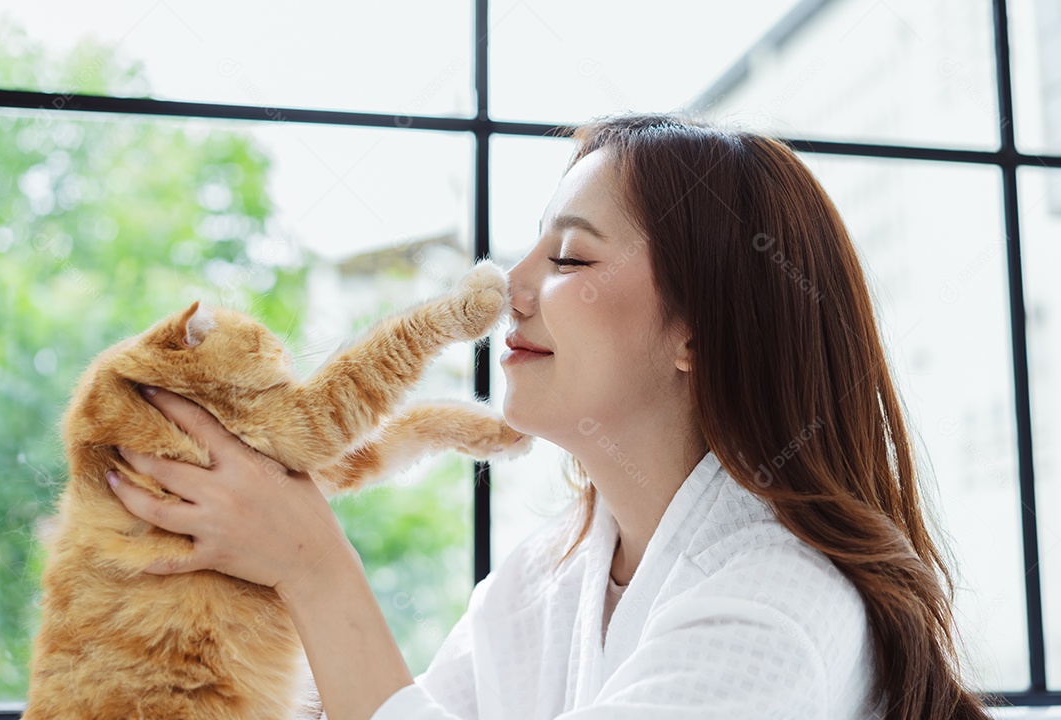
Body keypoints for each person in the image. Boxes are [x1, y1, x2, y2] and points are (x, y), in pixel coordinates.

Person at [109, 112, 992, 720]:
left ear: (699, 330)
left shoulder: (773, 609)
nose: (509, 289)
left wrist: (313, 564)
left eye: (568, 255)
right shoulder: (551, 577)